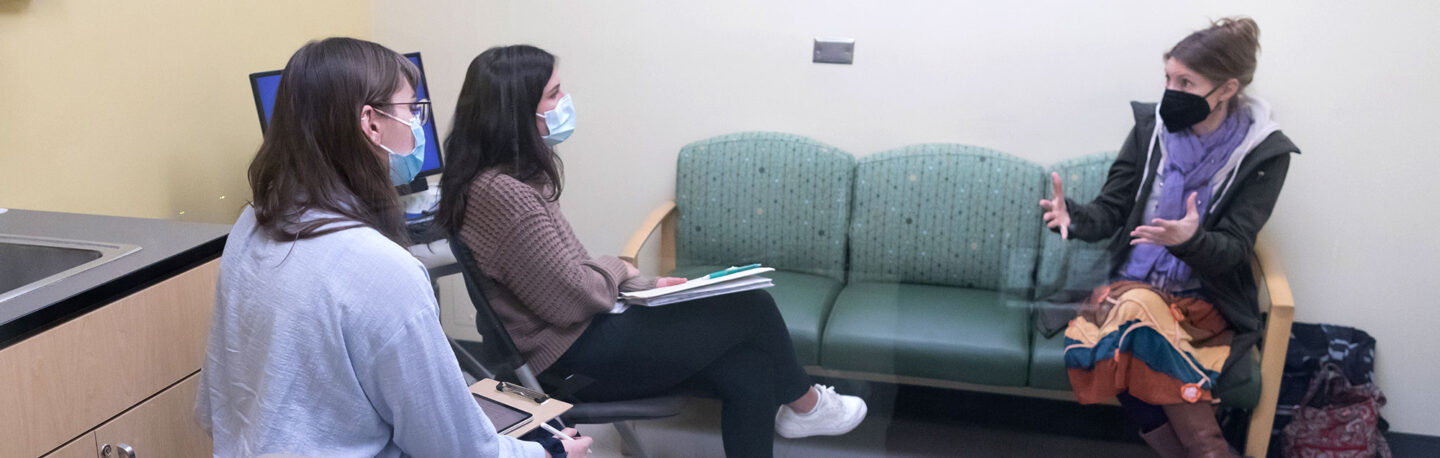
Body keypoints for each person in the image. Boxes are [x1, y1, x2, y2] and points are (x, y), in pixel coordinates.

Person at [436, 44, 868, 458]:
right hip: (564, 361)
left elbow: (575, 276)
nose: (565, 101)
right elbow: (574, 297)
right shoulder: (502, 194)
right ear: (517, 113)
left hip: (587, 338)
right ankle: (808, 405)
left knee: (749, 364)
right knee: (752, 306)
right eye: (553, 94)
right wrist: (621, 269)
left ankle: (801, 410)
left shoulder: (519, 180)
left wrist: (645, 285)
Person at [194, 37, 589, 458]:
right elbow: (456, 450)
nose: (418, 126)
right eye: (411, 109)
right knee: (554, 436)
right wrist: (550, 453)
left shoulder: (252, 225)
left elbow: (214, 403)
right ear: (372, 124)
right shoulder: (380, 268)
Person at [1039, 17, 1298, 458]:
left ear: (1227, 89)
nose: (1170, 92)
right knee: (1137, 311)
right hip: (1130, 286)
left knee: (1136, 321)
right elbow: (1112, 209)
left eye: (1186, 81)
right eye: (1168, 77)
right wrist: (1074, 217)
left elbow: (1234, 248)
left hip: (1202, 296)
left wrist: (1188, 240)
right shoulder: (1150, 128)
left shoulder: (1263, 154)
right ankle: (1210, 450)